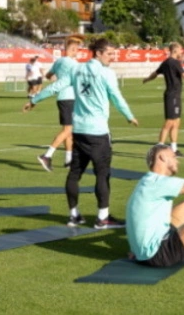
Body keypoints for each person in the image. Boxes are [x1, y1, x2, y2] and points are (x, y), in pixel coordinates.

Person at [25, 38, 138, 229]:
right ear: (99, 53)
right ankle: (102, 218)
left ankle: (73, 215)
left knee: (74, 173)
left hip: (79, 131)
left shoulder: (76, 69)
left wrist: (35, 99)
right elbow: (117, 98)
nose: (113, 57)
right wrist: (129, 115)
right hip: (98, 132)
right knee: (102, 175)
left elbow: (55, 87)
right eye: (110, 54)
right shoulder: (106, 73)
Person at [142, 42, 184, 158]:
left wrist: (147, 79)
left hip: (175, 95)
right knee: (169, 122)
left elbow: (155, 74)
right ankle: (158, 148)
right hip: (171, 95)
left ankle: (174, 149)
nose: (182, 52)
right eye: (180, 50)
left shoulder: (166, 62)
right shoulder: (174, 62)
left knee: (176, 122)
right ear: (175, 51)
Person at [37, 36, 83, 172]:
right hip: (70, 98)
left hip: (62, 98)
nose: (78, 52)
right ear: (73, 49)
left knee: (69, 131)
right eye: (76, 49)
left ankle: (68, 160)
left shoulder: (59, 62)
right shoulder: (73, 64)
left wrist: (58, 80)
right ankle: (47, 155)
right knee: (68, 130)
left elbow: (49, 75)